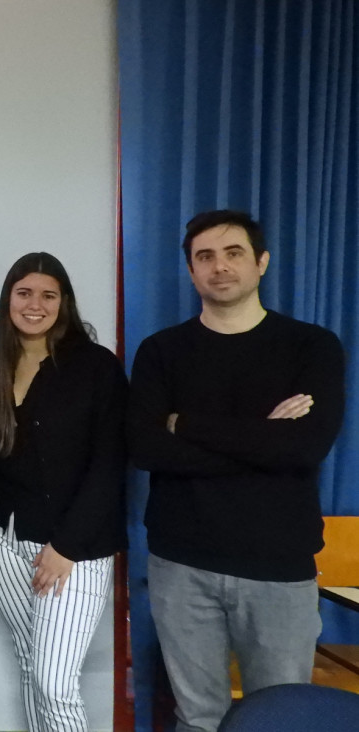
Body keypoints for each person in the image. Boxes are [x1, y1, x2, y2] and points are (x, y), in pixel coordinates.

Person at [128, 210, 345, 731]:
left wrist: (186, 424)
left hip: (278, 568)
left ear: (261, 262)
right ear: (190, 270)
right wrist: (263, 434)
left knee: (278, 718)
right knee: (198, 716)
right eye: (205, 256)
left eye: (233, 253)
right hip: (181, 564)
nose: (219, 267)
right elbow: (147, 449)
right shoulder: (161, 352)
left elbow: (303, 447)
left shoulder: (311, 347)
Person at [0, 252, 127, 732]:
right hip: (5, 539)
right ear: (9, 300)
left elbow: (110, 465)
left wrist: (66, 548)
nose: (35, 304)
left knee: (54, 681)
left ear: (64, 302)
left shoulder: (96, 367)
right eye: (24, 293)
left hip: (74, 547)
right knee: (29, 663)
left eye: (48, 295)